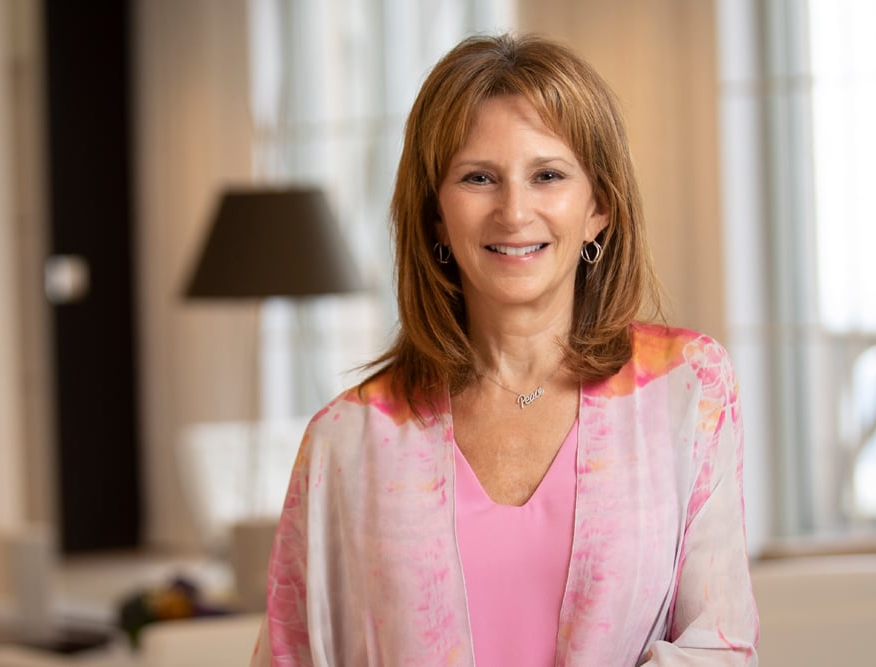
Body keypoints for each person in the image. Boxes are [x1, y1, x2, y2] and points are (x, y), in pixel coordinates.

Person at [251, 33, 757, 666]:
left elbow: (721, 645)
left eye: (548, 175)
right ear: (436, 216)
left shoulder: (687, 388)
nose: (514, 212)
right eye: (479, 178)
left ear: (599, 207)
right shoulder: (347, 440)